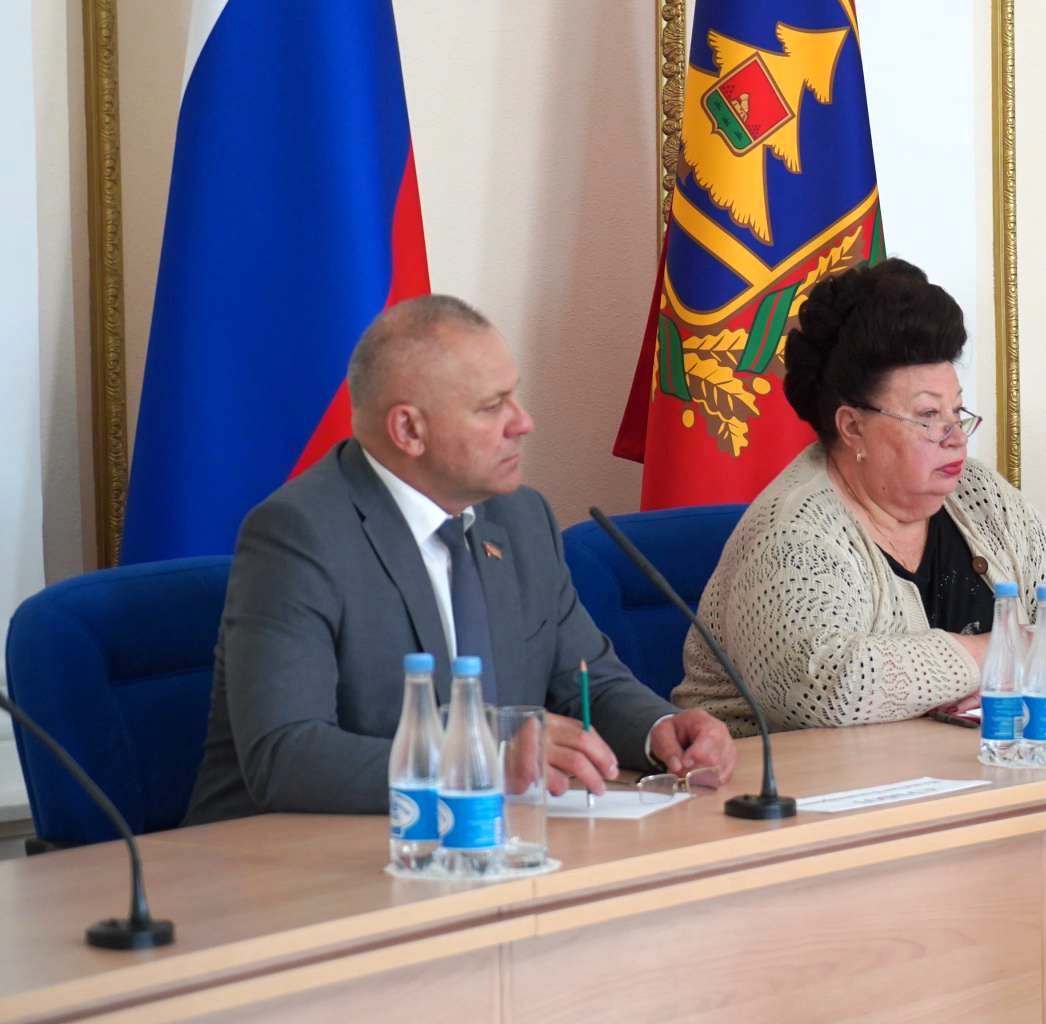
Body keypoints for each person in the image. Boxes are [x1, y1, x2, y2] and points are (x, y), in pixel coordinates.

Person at [186, 295, 736, 824]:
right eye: (492, 407)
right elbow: (286, 755)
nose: (522, 422)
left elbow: (588, 682)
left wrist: (662, 729)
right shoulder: (299, 535)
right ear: (409, 430)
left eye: (513, 396)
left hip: (485, 845)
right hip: (292, 860)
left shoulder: (521, 518)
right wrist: (486, 763)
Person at [673, 260, 1046, 735]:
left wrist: (1019, 662)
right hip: (775, 775)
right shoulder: (793, 532)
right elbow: (825, 687)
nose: (955, 438)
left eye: (957, 411)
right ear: (852, 427)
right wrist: (1002, 653)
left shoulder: (979, 495)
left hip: (959, 765)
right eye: (928, 416)